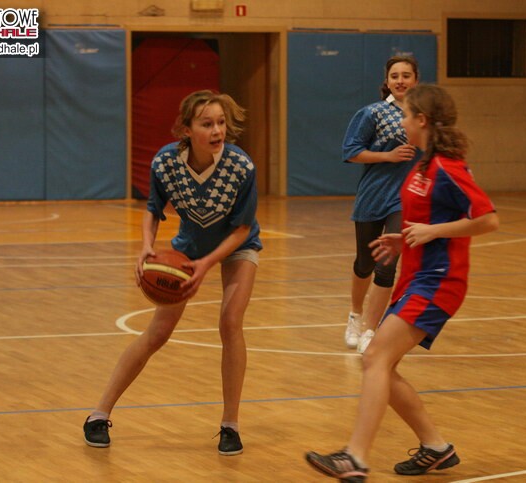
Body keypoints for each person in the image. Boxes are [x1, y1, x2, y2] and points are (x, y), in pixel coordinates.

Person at [306, 84, 499, 481]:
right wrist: (405, 238)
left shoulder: (447, 167)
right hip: (415, 278)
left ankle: (355, 458)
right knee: (380, 363)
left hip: (439, 282)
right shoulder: (421, 165)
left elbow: (487, 219)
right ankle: (436, 447)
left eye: (407, 115)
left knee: (375, 357)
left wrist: (432, 231)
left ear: (422, 120)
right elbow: (427, 219)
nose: (402, 121)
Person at [83, 90, 262, 455]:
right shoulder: (166, 162)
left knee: (230, 322)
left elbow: (242, 229)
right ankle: (98, 415)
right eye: (207, 124)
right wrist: (146, 247)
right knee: (158, 332)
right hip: (189, 245)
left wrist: (206, 265)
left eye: (221, 122)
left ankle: (230, 426)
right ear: (187, 129)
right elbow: (153, 209)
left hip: (237, 245)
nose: (217, 130)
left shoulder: (241, 167)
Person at [341, 56, 420, 353]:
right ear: (386, 81)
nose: (400, 80)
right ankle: (355, 314)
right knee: (365, 264)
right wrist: (387, 156)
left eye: (406, 75)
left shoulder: (424, 115)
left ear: (416, 80)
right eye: (395, 75)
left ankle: (370, 330)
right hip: (373, 195)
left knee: (387, 267)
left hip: (405, 199)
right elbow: (350, 151)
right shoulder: (372, 113)